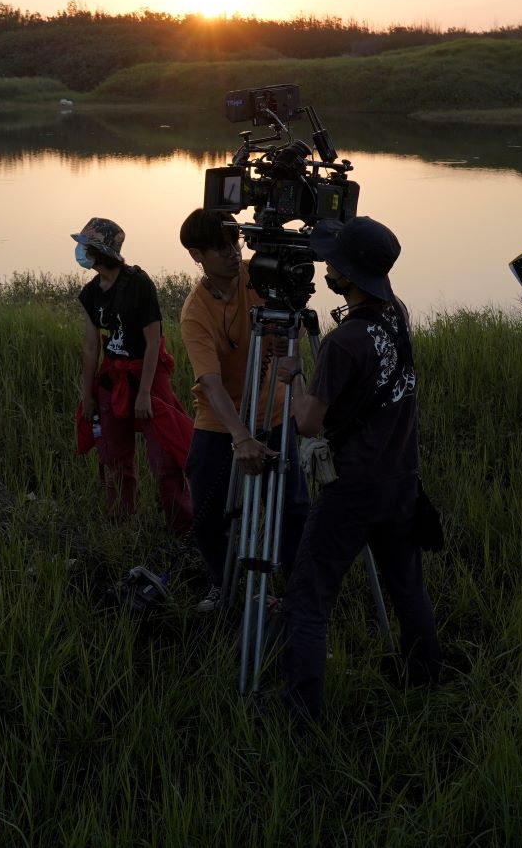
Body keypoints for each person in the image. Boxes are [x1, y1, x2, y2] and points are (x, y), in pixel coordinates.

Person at [270, 216, 443, 723]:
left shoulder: (343, 342)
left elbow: (307, 423)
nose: (326, 268)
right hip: (401, 480)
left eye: (333, 263)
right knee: (407, 587)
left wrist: (292, 377)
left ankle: (299, 713)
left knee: (308, 598)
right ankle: (426, 681)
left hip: (352, 488)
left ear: (347, 274)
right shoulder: (398, 314)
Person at [176, 208, 308, 612]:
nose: (233, 254)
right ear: (197, 255)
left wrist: (288, 345)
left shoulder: (260, 274)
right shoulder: (196, 312)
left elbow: (294, 323)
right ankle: (223, 583)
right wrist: (241, 437)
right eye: (220, 249)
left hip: (275, 411)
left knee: (292, 508)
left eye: (234, 244)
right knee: (207, 510)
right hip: (220, 421)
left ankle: (299, 593)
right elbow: (210, 382)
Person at [73, 216, 194, 535]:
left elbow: (154, 341)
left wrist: (144, 395)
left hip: (147, 376)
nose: (80, 252)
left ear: (100, 251)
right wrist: (87, 395)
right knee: (114, 456)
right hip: (113, 377)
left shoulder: (139, 284)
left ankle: (181, 527)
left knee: (165, 457)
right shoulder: (90, 293)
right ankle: (120, 523)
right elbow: (91, 347)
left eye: (85, 246)